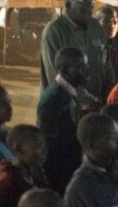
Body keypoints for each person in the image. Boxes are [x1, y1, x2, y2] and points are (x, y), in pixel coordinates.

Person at [38, 47, 98, 194]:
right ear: (65, 70)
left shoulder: (64, 93)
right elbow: (53, 141)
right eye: (81, 68)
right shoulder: (57, 98)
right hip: (59, 168)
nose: (87, 72)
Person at [41, 0, 113, 99]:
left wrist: (110, 94)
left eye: (91, 2)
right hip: (65, 106)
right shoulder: (54, 32)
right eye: (83, 2)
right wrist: (84, 100)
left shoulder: (96, 27)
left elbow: (107, 65)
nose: (90, 7)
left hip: (97, 104)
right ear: (68, 5)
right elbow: (55, 77)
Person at [99, 7, 118, 84]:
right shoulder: (90, 43)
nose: (112, 25)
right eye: (106, 21)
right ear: (97, 23)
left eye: (115, 21)